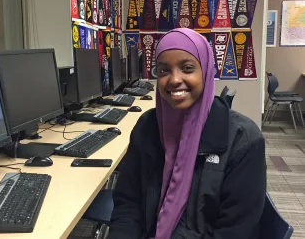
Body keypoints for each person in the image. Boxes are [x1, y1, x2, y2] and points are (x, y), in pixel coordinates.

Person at [108, 28, 266, 239]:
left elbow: (235, 230)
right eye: (164, 70)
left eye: (187, 68)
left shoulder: (243, 141)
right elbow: (128, 204)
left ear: (206, 71)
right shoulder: (147, 127)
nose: (174, 79)